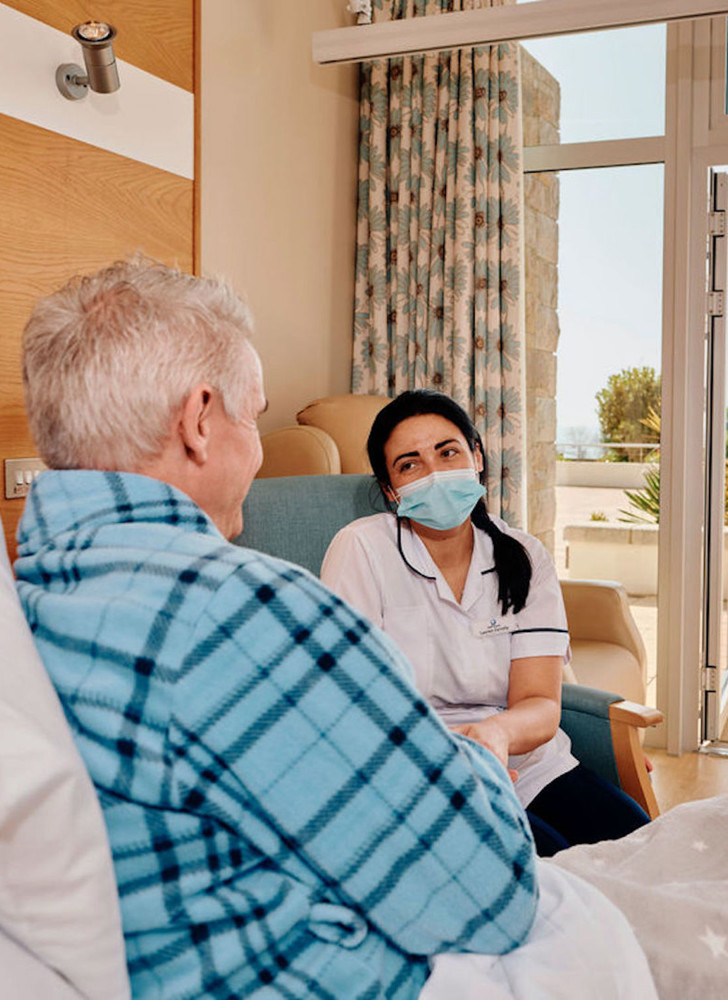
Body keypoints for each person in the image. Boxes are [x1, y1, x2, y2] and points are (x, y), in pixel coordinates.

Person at [14, 259, 539, 1000]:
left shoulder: (28, 601)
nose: (258, 451)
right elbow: (491, 891)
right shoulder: (242, 614)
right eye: (252, 417)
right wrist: (474, 759)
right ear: (199, 422)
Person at [319, 390, 651, 856]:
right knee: (547, 865)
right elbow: (348, 704)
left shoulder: (524, 555)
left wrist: (495, 734)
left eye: (448, 452)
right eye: (410, 464)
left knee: (640, 843)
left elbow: (539, 701)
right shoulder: (362, 550)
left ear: (476, 457)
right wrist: (461, 746)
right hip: (422, 768)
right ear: (392, 490)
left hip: (527, 760)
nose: (435, 474)